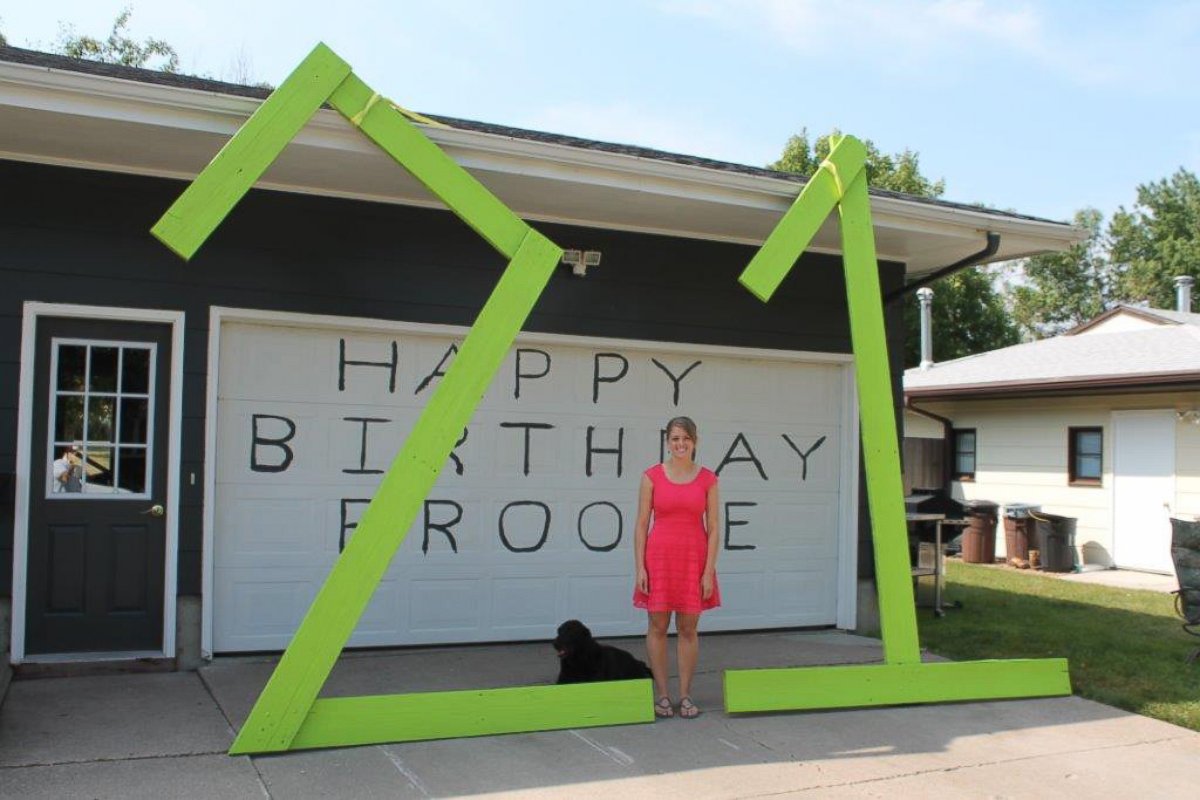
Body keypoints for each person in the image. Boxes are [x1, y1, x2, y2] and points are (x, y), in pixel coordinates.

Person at [633, 416, 720, 719]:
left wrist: (708, 571)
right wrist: (640, 568)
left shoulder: (708, 479)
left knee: (687, 629)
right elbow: (642, 524)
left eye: (685, 438)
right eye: (674, 439)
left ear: (695, 442)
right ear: (667, 442)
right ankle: (663, 696)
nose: (680, 444)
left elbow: (715, 527)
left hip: (693, 560)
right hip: (658, 560)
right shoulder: (651, 476)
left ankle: (685, 695)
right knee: (657, 627)